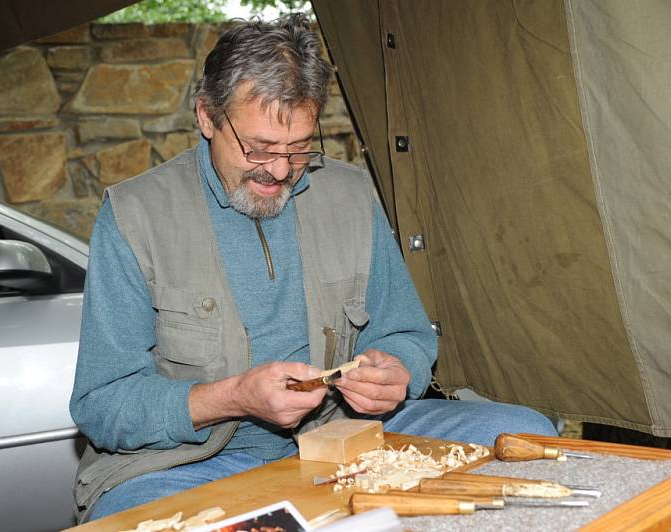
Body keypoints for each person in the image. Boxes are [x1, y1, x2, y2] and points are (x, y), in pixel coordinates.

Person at [69, 14, 557, 523]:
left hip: (349, 435)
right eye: (259, 148)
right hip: (191, 463)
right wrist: (232, 397)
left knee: (527, 433)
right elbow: (103, 404)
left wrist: (397, 370)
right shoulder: (135, 215)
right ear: (207, 116)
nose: (279, 170)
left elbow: (407, 333)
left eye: (300, 148)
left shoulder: (348, 194)